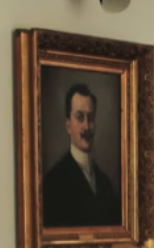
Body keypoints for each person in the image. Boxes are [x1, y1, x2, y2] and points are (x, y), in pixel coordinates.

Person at [42, 83, 121, 228]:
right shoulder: (52, 183)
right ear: (68, 125)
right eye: (80, 117)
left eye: (90, 117)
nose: (87, 126)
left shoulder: (105, 184)